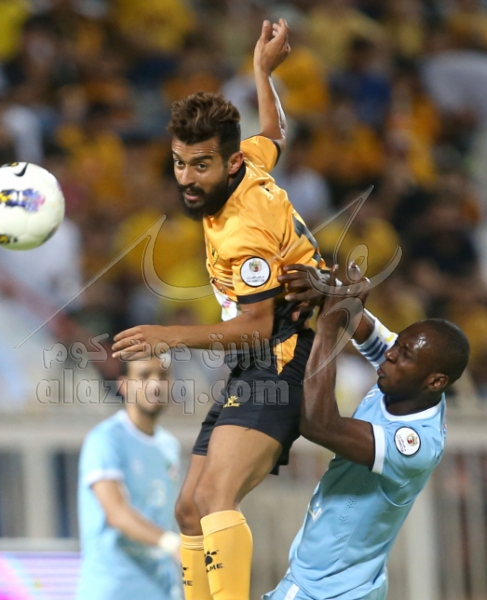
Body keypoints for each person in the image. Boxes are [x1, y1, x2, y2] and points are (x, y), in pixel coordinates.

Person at [112, 18, 325, 600]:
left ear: (228, 165)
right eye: (179, 162)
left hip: (282, 356)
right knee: (188, 509)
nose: (186, 177)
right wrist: (261, 70)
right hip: (257, 362)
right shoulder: (248, 162)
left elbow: (256, 326)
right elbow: (274, 133)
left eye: (199, 165)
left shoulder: (242, 232)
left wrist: (168, 334)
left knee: (212, 499)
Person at [263, 263, 470, 599]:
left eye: (403, 355)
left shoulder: (414, 444)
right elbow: (359, 322)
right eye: (396, 344)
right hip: (350, 586)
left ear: (436, 381)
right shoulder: (409, 380)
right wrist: (330, 292)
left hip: (324, 589)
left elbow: (319, 424)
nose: (389, 354)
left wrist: (327, 330)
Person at [76, 357, 182, 600]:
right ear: (124, 385)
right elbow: (117, 513)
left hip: (160, 591)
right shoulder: (105, 439)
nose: (155, 384)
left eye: (162, 376)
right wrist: (171, 543)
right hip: (113, 590)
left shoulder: (169, 447)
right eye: (144, 376)